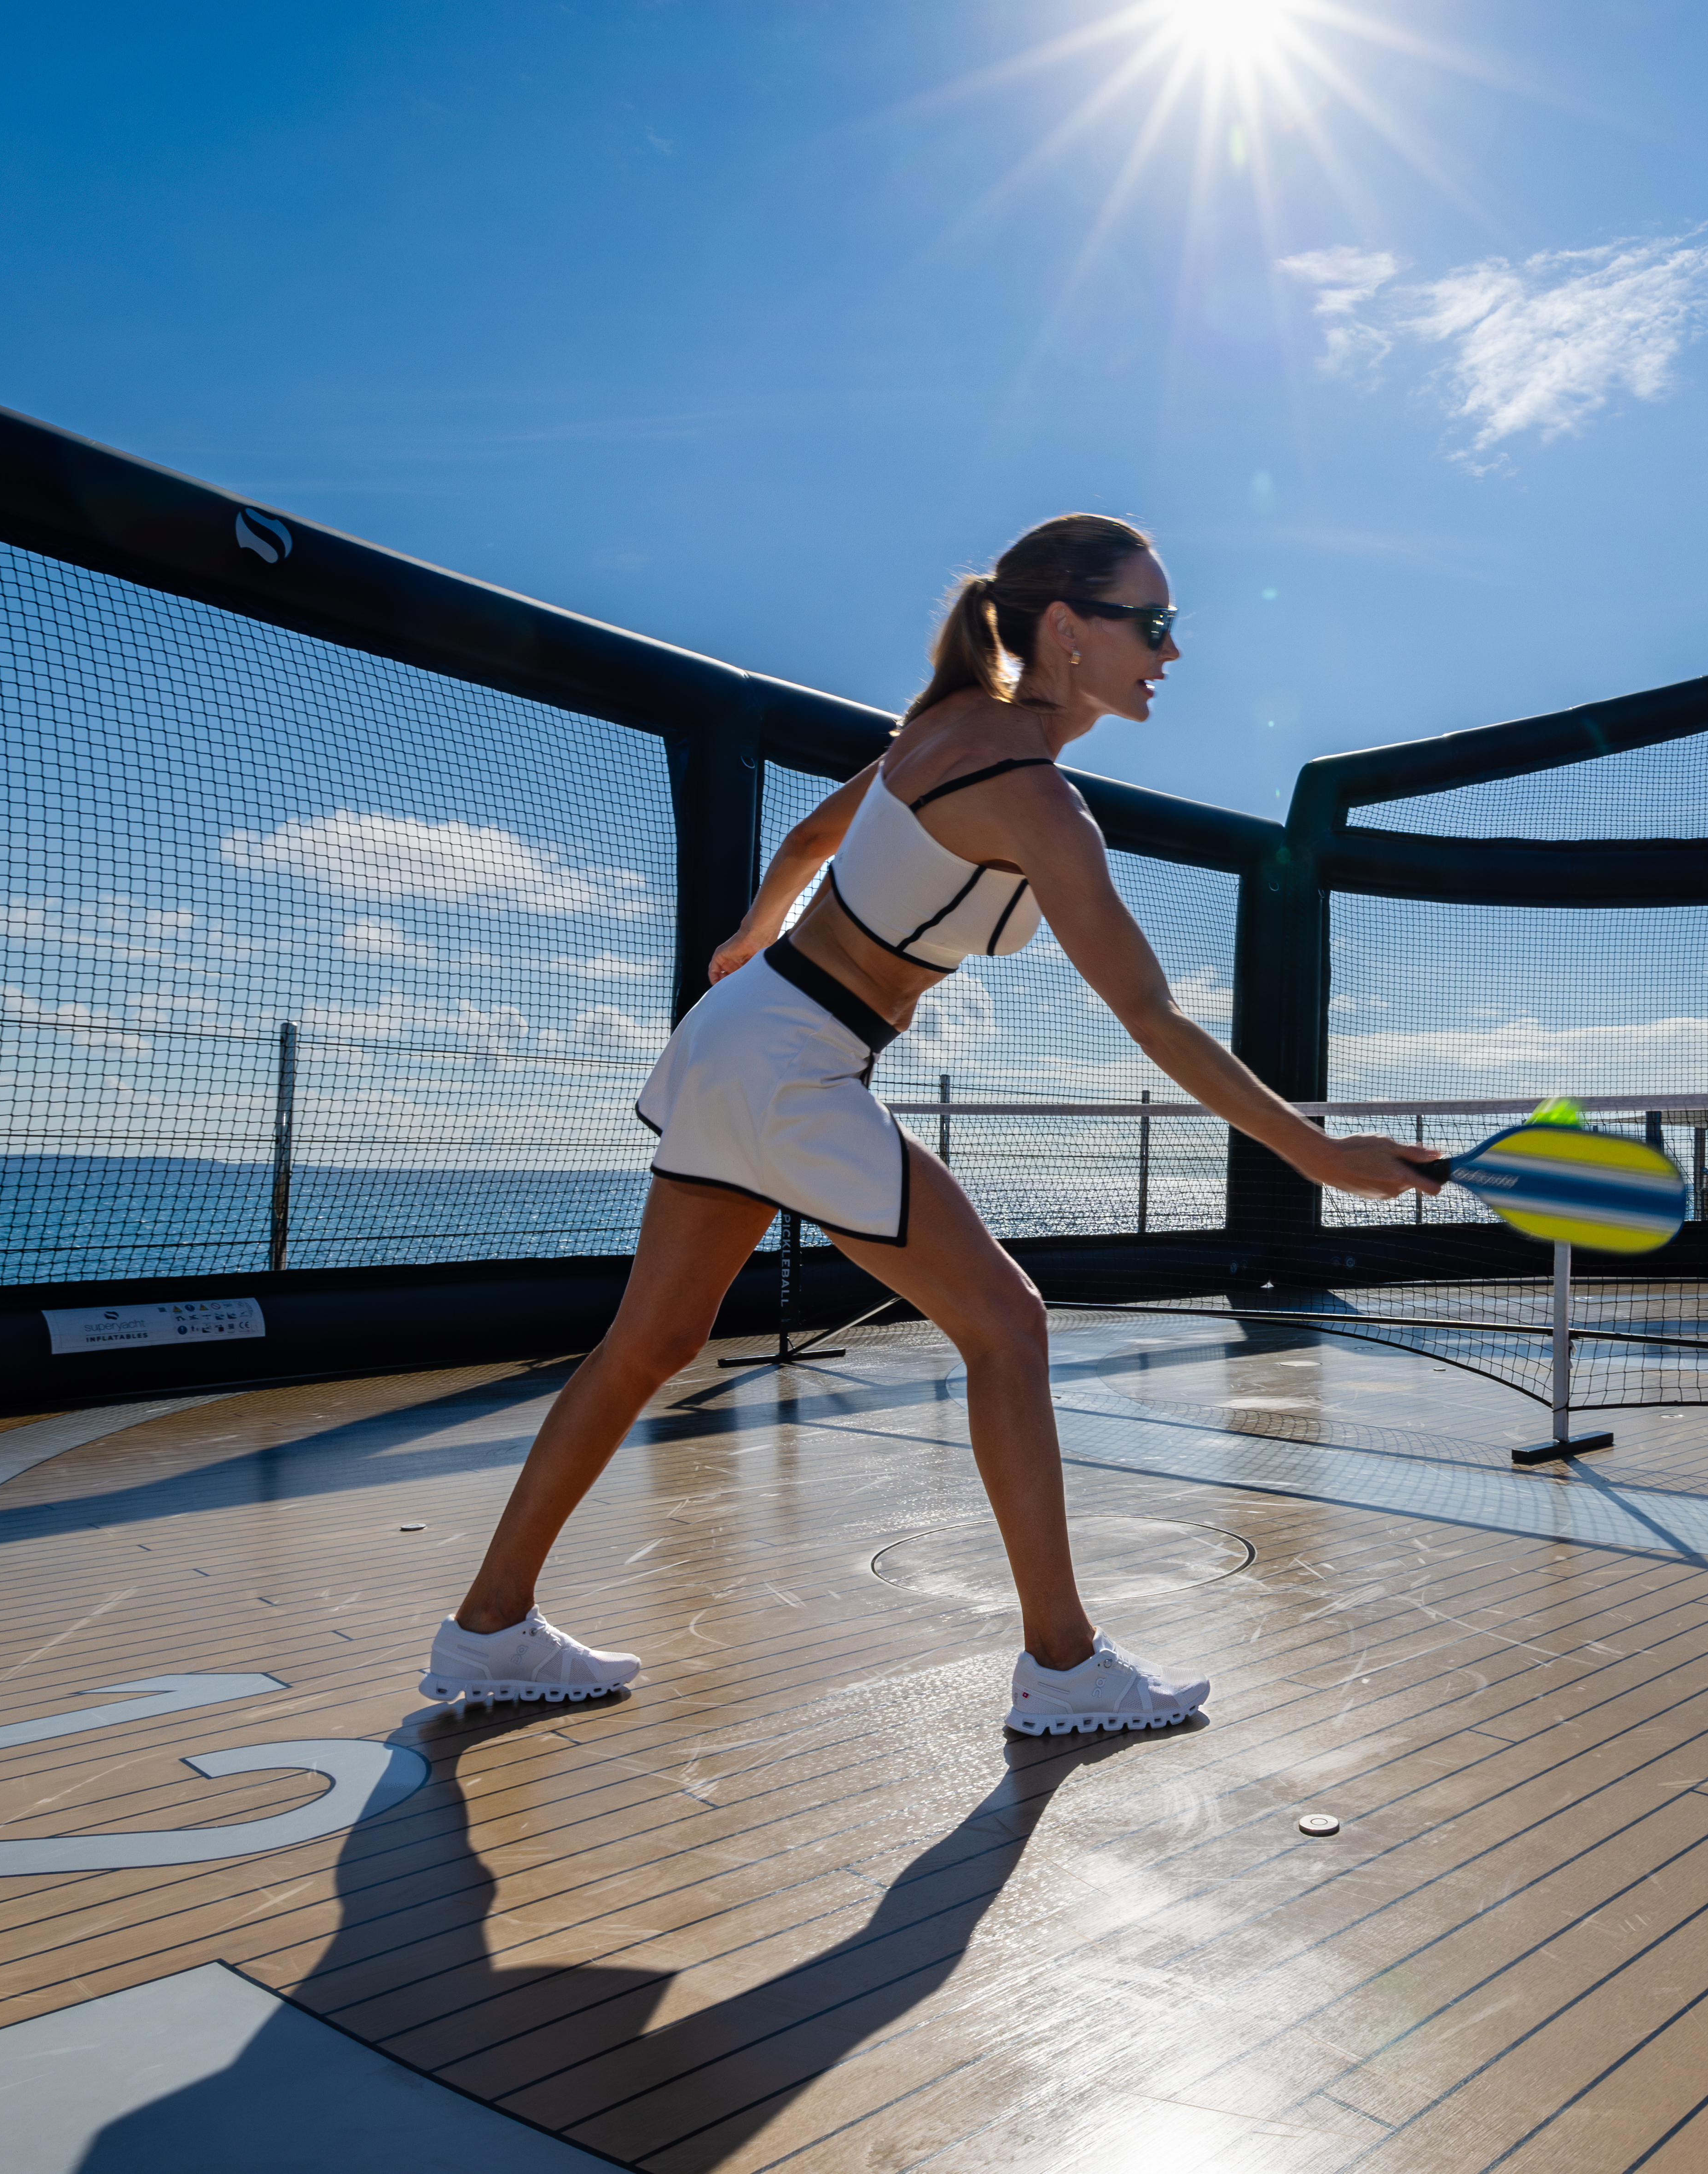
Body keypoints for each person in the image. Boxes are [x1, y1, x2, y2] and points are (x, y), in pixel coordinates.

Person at [419, 514, 1436, 1731]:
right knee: (1007, 1324)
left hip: (747, 1035)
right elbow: (1155, 1017)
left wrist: (749, 946)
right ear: (1068, 629)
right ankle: (1065, 1666)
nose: (1171, 651)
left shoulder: (937, 730)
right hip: (796, 1060)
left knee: (645, 1347)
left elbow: (806, 839)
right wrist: (1318, 1153)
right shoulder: (1038, 799)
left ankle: (488, 1627)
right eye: (1153, 624)